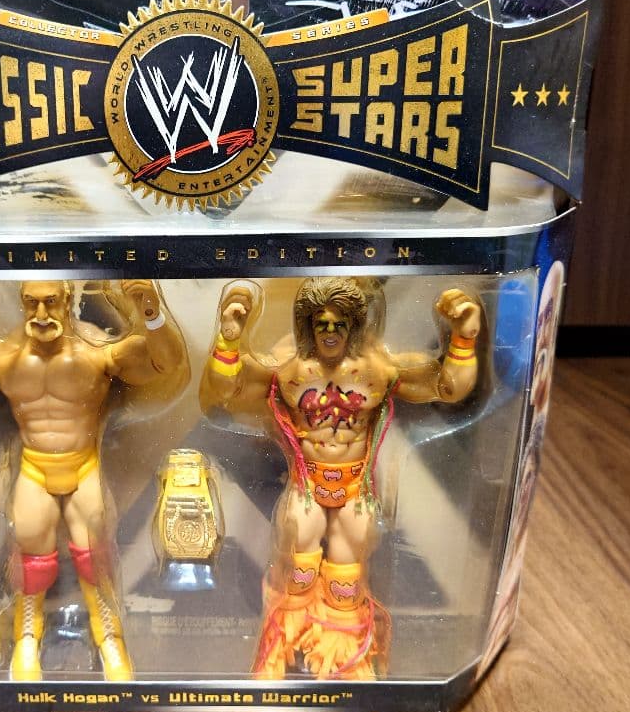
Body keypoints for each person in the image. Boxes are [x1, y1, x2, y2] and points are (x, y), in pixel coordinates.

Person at [201, 277, 482, 679]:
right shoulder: (289, 368)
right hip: (307, 486)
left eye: (339, 324)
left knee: (346, 586)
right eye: (322, 324)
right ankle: (282, 649)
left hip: (354, 490)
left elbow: (447, 386)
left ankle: (345, 659)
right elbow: (226, 390)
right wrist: (229, 340)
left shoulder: (377, 370)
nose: (330, 333)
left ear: (354, 325)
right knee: (296, 578)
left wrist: (463, 338)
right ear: (308, 324)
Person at [0, 279, 186, 681]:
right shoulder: (7, 356)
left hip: (84, 465)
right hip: (35, 467)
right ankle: (26, 638)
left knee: (94, 558)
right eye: (32, 303)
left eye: (50, 302)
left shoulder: (95, 352)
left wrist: (151, 314)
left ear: (68, 300)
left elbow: (164, 363)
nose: (41, 314)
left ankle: (110, 639)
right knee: (32, 557)